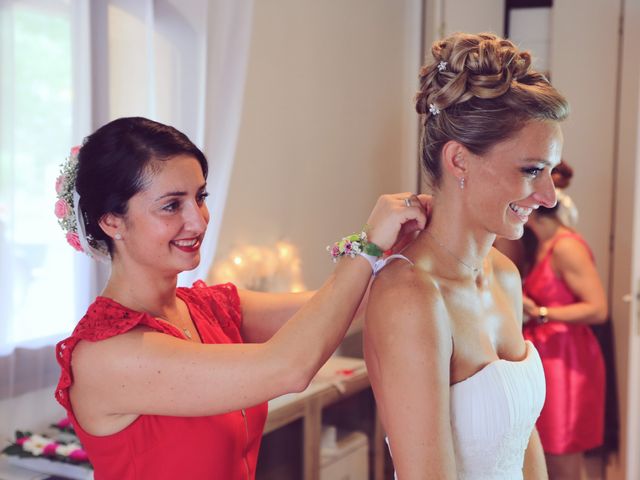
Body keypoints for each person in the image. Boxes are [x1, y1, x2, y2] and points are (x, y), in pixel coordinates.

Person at [53, 117, 428, 480]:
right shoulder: (107, 355)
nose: (199, 221)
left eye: (200, 197)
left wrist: (403, 247)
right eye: (171, 205)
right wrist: (365, 244)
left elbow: (338, 305)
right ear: (111, 222)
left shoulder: (209, 308)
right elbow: (288, 368)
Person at [363, 32, 569, 479]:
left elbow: (522, 436)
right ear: (458, 161)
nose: (550, 196)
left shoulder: (506, 276)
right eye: (532, 170)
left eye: (550, 172)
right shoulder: (410, 296)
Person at [521, 169, 607, 479]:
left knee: (563, 452)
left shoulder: (566, 246)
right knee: (544, 453)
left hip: (567, 361)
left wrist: (542, 312)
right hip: (546, 359)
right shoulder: (540, 245)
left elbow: (598, 309)